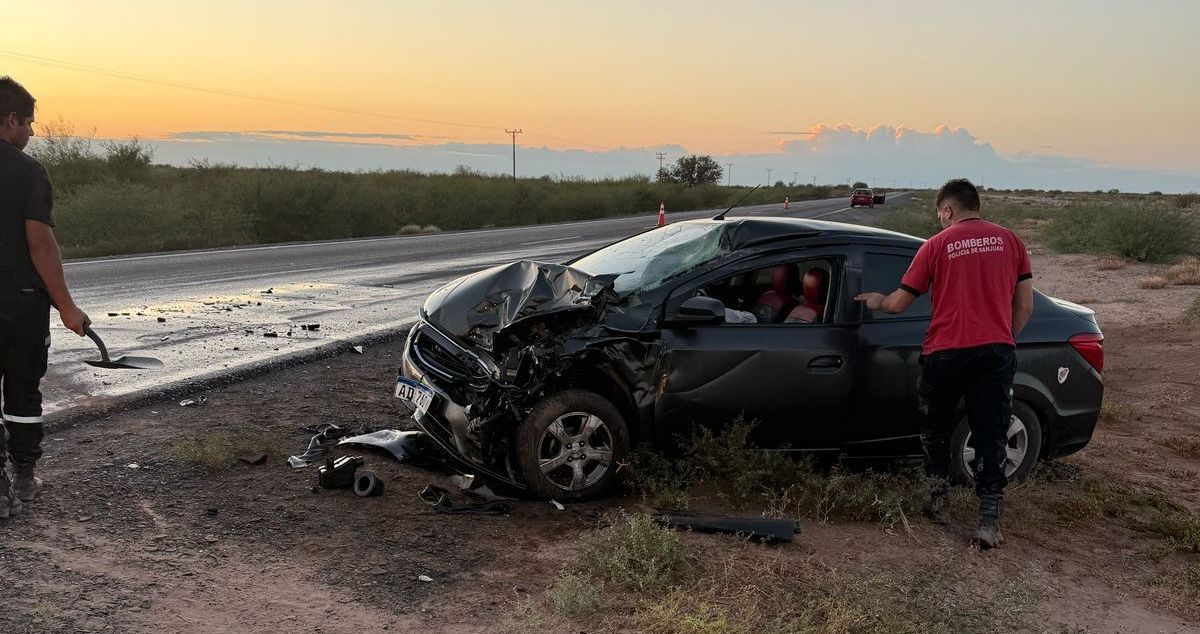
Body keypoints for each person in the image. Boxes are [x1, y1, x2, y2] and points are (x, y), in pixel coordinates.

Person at [855, 178, 1033, 548]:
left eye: (940, 214)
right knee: (990, 433)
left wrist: (875, 300)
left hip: (946, 353)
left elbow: (900, 303)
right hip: (994, 352)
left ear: (948, 210)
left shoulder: (936, 245)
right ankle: (988, 521)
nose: (940, 220)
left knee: (934, 428)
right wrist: (1004, 338)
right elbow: (1025, 305)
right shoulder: (1011, 241)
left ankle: (937, 499)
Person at [0, 76, 90, 519]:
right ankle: (24, 476)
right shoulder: (27, 171)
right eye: (29, 124)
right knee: (22, 391)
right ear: (11, 119)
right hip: (18, 304)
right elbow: (40, 245)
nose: (32, 133)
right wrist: (67, 306)